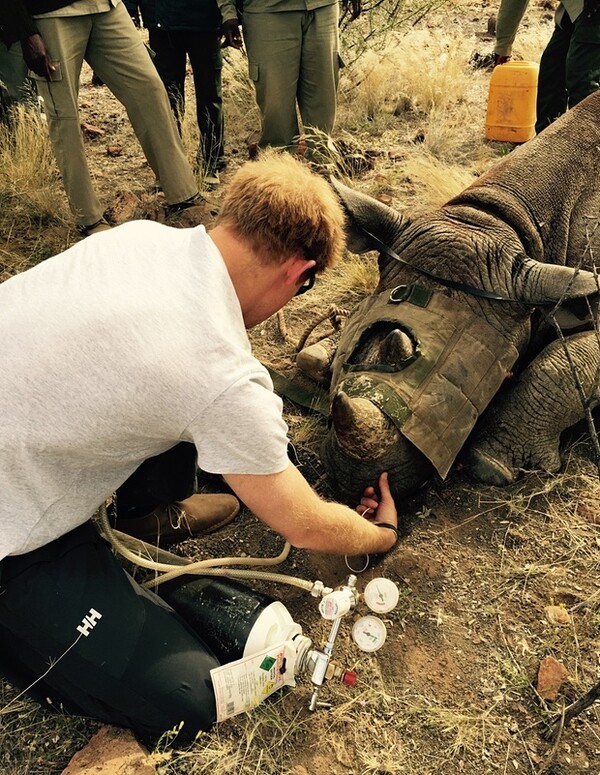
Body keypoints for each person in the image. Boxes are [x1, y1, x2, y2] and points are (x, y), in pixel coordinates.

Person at [0, 152, 398, 742]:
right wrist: (379, 536)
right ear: (298, 273)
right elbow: (306, 527)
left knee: (165, 402)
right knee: (189, 695)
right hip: (12, 541)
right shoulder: (220, 373)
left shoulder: (137, 238)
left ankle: (145, 519)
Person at [2, 0, 200, 236]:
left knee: (150, 89)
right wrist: (25, 32)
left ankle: (183, 194)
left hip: (108, 6)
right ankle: (88, 219)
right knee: (64, 117)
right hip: (51, 13)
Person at [219, 0, 360, 153]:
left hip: (323, 7)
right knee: (276, 104)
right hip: (268, 12)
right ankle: (279, 167)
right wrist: (228, 12)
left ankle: (322, 166)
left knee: (323, 97)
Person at [125, 0, 226, 186]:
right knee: (167, 97)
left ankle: (211, 161)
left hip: (206, 22)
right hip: (161, 23)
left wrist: (231, 16)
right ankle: (170, 165)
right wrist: (130, 10)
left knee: (209, 94)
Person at [494, 0, 600, 133]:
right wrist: (503, 46)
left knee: (582, 81)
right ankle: (547, 143)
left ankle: (587, 146)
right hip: (575, 9)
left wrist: (502, 46)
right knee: (551, 72)